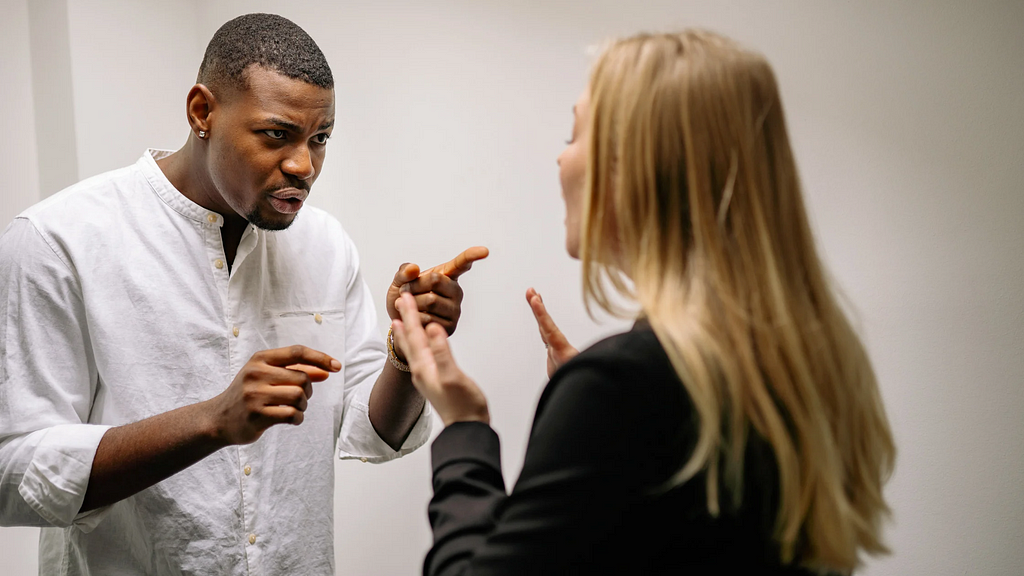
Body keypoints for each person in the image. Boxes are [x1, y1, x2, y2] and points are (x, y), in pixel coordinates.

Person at [391, 30, 896, 575]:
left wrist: (466, 426)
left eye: (576, 134)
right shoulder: (803, 362)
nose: (561, 159)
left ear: (634, 168)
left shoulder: (620, 388)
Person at [0, 13, 487, 575]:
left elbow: (368, 432)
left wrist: (407, 356)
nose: (304, 165)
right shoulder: (58, 241)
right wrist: (212, 421)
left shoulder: (326, 246)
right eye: (276, 135)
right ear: (202, 112)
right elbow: (15, 471)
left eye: (320, 139)